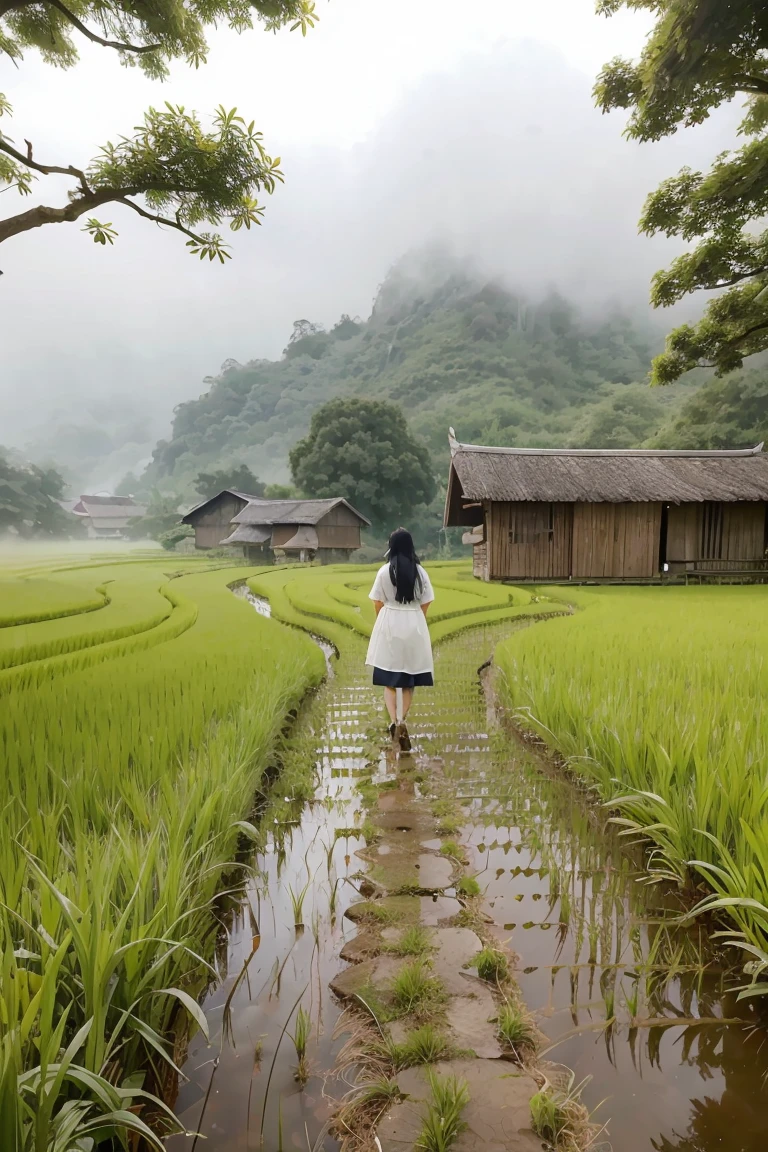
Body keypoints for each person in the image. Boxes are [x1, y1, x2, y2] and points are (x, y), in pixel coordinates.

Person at [365, 528, 435, 750]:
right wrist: (416, 620)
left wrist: (384, 621)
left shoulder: (384, 571)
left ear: (391, 545)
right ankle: (402, 720)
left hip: (390, 623)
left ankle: (394, 721)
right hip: (413, 624)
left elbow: (377, 602)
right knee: (409, 680)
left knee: (388, 679)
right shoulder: (420, 573)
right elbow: (426, 601)